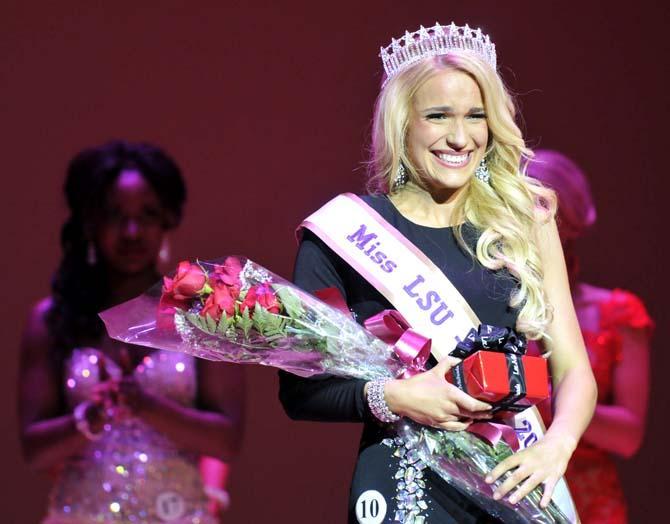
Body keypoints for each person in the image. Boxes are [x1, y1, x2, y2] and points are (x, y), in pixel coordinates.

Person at [279, 23, 597, 523]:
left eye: (476, 116)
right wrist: (398, 397)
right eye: (438, 116)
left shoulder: (524, 221)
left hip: (511, 473)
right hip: (403, 481)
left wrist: (555, 448)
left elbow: (575, 370)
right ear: (402, 124)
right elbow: (299, 391)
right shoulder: (343, 231)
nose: (459, 137)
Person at [19, 140, 245, 524]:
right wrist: (87, 419)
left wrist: (146, 405)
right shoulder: (51, 319)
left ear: (167, 220)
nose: (131, 231)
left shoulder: (201, 313)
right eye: (114, 216)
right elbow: (33, 450)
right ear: (90, 222)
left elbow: (226, 440)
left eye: (148, 215)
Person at [527, 149, 653, 524]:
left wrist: (559, 405)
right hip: (511, 485)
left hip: (589, 500)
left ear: (567, 222)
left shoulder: (618, 313)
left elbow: (629, 435)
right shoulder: (492, 304)